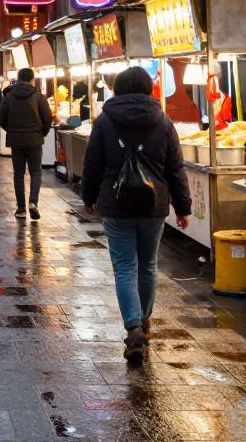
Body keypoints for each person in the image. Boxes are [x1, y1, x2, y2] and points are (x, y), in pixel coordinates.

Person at [80, 66, 191, 363]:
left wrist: (88, 198)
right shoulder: (164, 121)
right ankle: (143, 320)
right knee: (148, 265)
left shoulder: (104, 120)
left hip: (116, 204)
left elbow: (92, 164)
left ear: (117, 88)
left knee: (125, 268)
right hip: (153, 205)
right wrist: (183, 208)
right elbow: (175, 169)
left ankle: (133, 329)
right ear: (148, 87)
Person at [0, 67, 53, 220]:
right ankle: (33, 202)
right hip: (34, 138)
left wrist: (11, 130)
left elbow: (0, 118)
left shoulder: (9, 96)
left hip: (16, 140)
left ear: (19, 78)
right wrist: (43, 132)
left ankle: (21, 208)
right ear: (32, 79)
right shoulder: (38, 96)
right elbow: (47, 117)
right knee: (35, 172)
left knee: (19, 174)